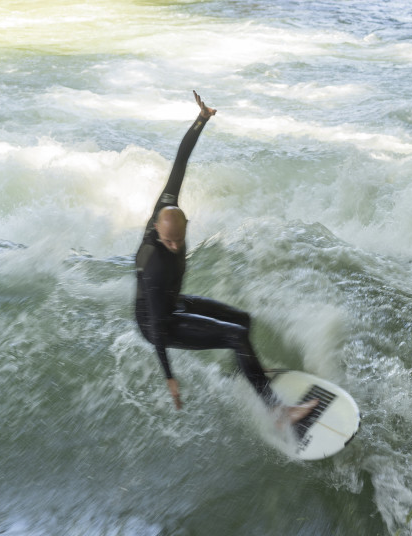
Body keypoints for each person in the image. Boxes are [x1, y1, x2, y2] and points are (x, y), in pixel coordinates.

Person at [135, 91, 318, 423]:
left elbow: (180, 162)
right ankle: (278, 410)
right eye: (168, 242)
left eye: (178, 240)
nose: (175, 247)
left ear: (184, 224)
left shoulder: (168, 209)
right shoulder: (155, 264)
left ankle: (251, 372)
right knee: (235, 335)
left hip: (172, 302)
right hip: (157, 322)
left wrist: (201, 119)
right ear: (158, 232)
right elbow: (158, 325)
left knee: (243, 321)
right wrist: (168, 375)